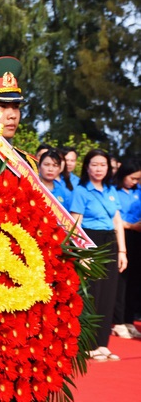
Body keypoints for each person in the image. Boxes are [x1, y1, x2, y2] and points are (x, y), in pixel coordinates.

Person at [70, 149, 128, 361]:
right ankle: (87, 344)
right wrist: (81, 252)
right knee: (91, 293)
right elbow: (75, 224)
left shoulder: (111, 190)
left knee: (108, 293)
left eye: (103, 165)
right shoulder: (81, 191)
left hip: (110, 242)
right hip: (89, 242)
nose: (98, 169)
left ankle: (102, 343)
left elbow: (117, 222)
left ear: (108, 168)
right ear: (87, 167)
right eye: (94, 164)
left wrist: (122, 250)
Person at [112, 157, 141, 339]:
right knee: (120, 280)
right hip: (120, 236)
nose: (135, 182)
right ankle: (118, 321)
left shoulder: (138, 191)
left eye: (138, 179)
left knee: (135, 281)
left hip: (138, 237)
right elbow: (114, 218)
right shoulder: (113, 190)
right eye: (132, 178)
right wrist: (130, 226)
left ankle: (129, 320)